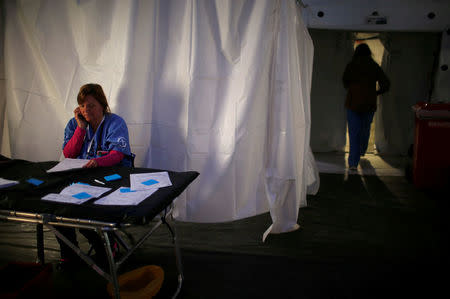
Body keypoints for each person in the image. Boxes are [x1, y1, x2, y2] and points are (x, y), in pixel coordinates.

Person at [56, 83, 133, 269]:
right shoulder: (75, 123)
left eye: (91, 105)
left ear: (102, 105)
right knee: (58, 207)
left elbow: (117, 154)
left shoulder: (115, 122)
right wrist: (81, 128)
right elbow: (69, 154)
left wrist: (98, 162)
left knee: (85, 209)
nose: (86, 110)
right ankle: (69, 251)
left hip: (111, 176)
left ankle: (104, 246)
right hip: (83, 177)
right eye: (82, 106)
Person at [342, 43, 390, 170]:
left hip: (353, 102)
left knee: (354, 133)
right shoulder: (373, 66)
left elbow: (345, 82)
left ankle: (353, 162)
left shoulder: (351, 65)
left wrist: (353, 89)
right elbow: (386, 84)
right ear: (369, 53)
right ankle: (362, 150)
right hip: (369, 103)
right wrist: (376, 93)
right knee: (364, 130)